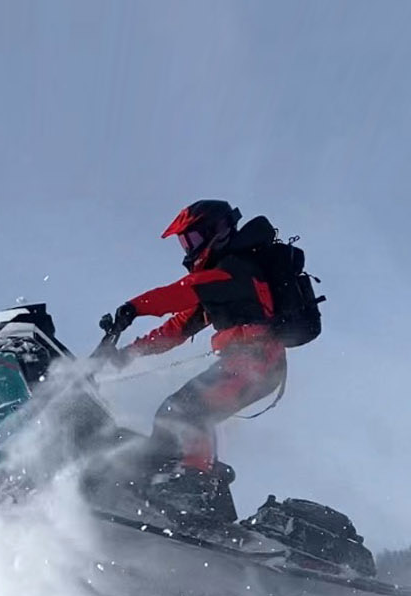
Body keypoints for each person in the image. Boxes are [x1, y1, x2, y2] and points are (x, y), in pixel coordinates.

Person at [103, 199, 287, 521]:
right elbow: (176, 328)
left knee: (183, 410)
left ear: (218, 231)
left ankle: (195, 490)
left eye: (193, 239)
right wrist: (129, 354)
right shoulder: (219, 283)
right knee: (171, 415)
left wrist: (134, 307)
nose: (189, 249)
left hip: (258, 363)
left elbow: (182, 292)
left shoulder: (235, 270)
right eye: (184, 242)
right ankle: (189, 489)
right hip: (243, 363)